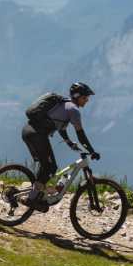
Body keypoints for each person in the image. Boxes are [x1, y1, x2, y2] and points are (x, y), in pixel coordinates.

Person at [22, 82, 100, 211]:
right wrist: (92, 151)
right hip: (37, 135)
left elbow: (60, 128)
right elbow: (81, 134)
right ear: (78, 96)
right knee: (50, 167)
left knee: (46, 167)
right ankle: (31, 198)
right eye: (85, 97)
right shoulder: (74, 110)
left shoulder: (64, 104)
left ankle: (37, 194)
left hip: (28, 131)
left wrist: (69, 142)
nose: (87, 100)